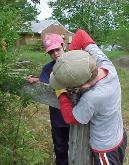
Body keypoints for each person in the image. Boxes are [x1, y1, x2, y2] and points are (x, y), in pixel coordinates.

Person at [49, 29, 127, 165]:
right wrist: (68, 61)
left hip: (106, 150)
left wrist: (61, 93)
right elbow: (80, 34)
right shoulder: (106, 65)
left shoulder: (92, 97)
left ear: (81, 83)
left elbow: (71, 118)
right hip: (119, 135)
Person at [28, 33, 69, 165]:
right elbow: (46, 85)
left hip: (77, 117)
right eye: (51, 51)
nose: (55, 53)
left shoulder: (75, 63)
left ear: (63, 46)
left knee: (77, 145)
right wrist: (37, 81)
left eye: (57, 49)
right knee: (60, 146)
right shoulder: (47, 69)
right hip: (58, 117)